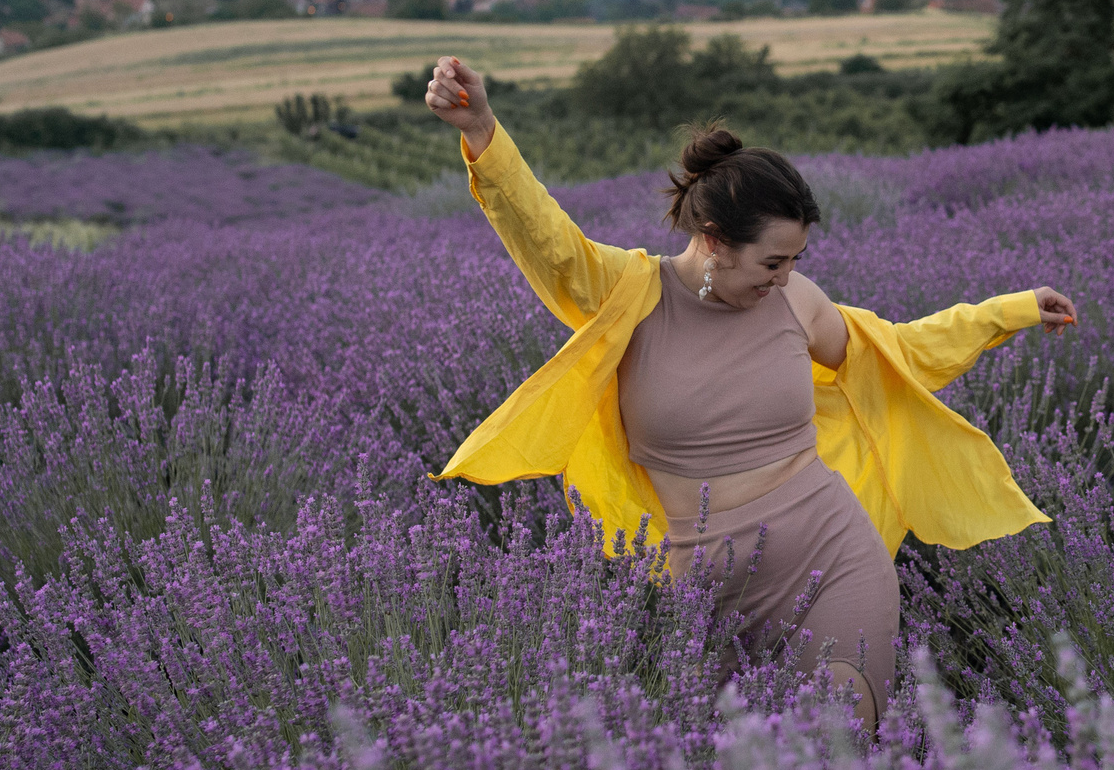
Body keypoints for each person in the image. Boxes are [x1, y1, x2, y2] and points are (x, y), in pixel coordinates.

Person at [422, 55, 1077, 728]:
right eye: (772, 261)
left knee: (838, 753)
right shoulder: (632, 294)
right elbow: (547, 241)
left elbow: (898, 351)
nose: (785, 276)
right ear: (714, 242)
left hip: (832, 557)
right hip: (705, 596)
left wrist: (1010, 310)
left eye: (796, 260)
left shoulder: (798, 302)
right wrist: (482, 131)